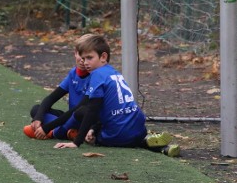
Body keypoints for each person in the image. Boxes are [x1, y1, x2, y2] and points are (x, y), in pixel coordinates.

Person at [49, 34, 180, 157]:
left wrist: (77, 142)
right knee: (122, 130)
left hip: (117, 134)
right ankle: (159, 146)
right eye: (83, 59)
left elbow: (92, 109)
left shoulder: (97, 75)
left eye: (89, 58)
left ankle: (141, 141)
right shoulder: (113, 72)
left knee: (92, 132)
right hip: (138, 126)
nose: (86, 62)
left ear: (103, 57)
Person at [23, 34, 94, 141]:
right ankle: (71, 132)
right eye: (80, 55)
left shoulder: (96, 76)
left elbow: (79, 108)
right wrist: (38, 118)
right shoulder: (73, 73)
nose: (83, 60)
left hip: (85, 118)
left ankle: (59, 133)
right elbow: (51, 98)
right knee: (36, 110)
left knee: (81, 112)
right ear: (75, 53)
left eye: (88, 57)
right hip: (71, 116)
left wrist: (47, 127)